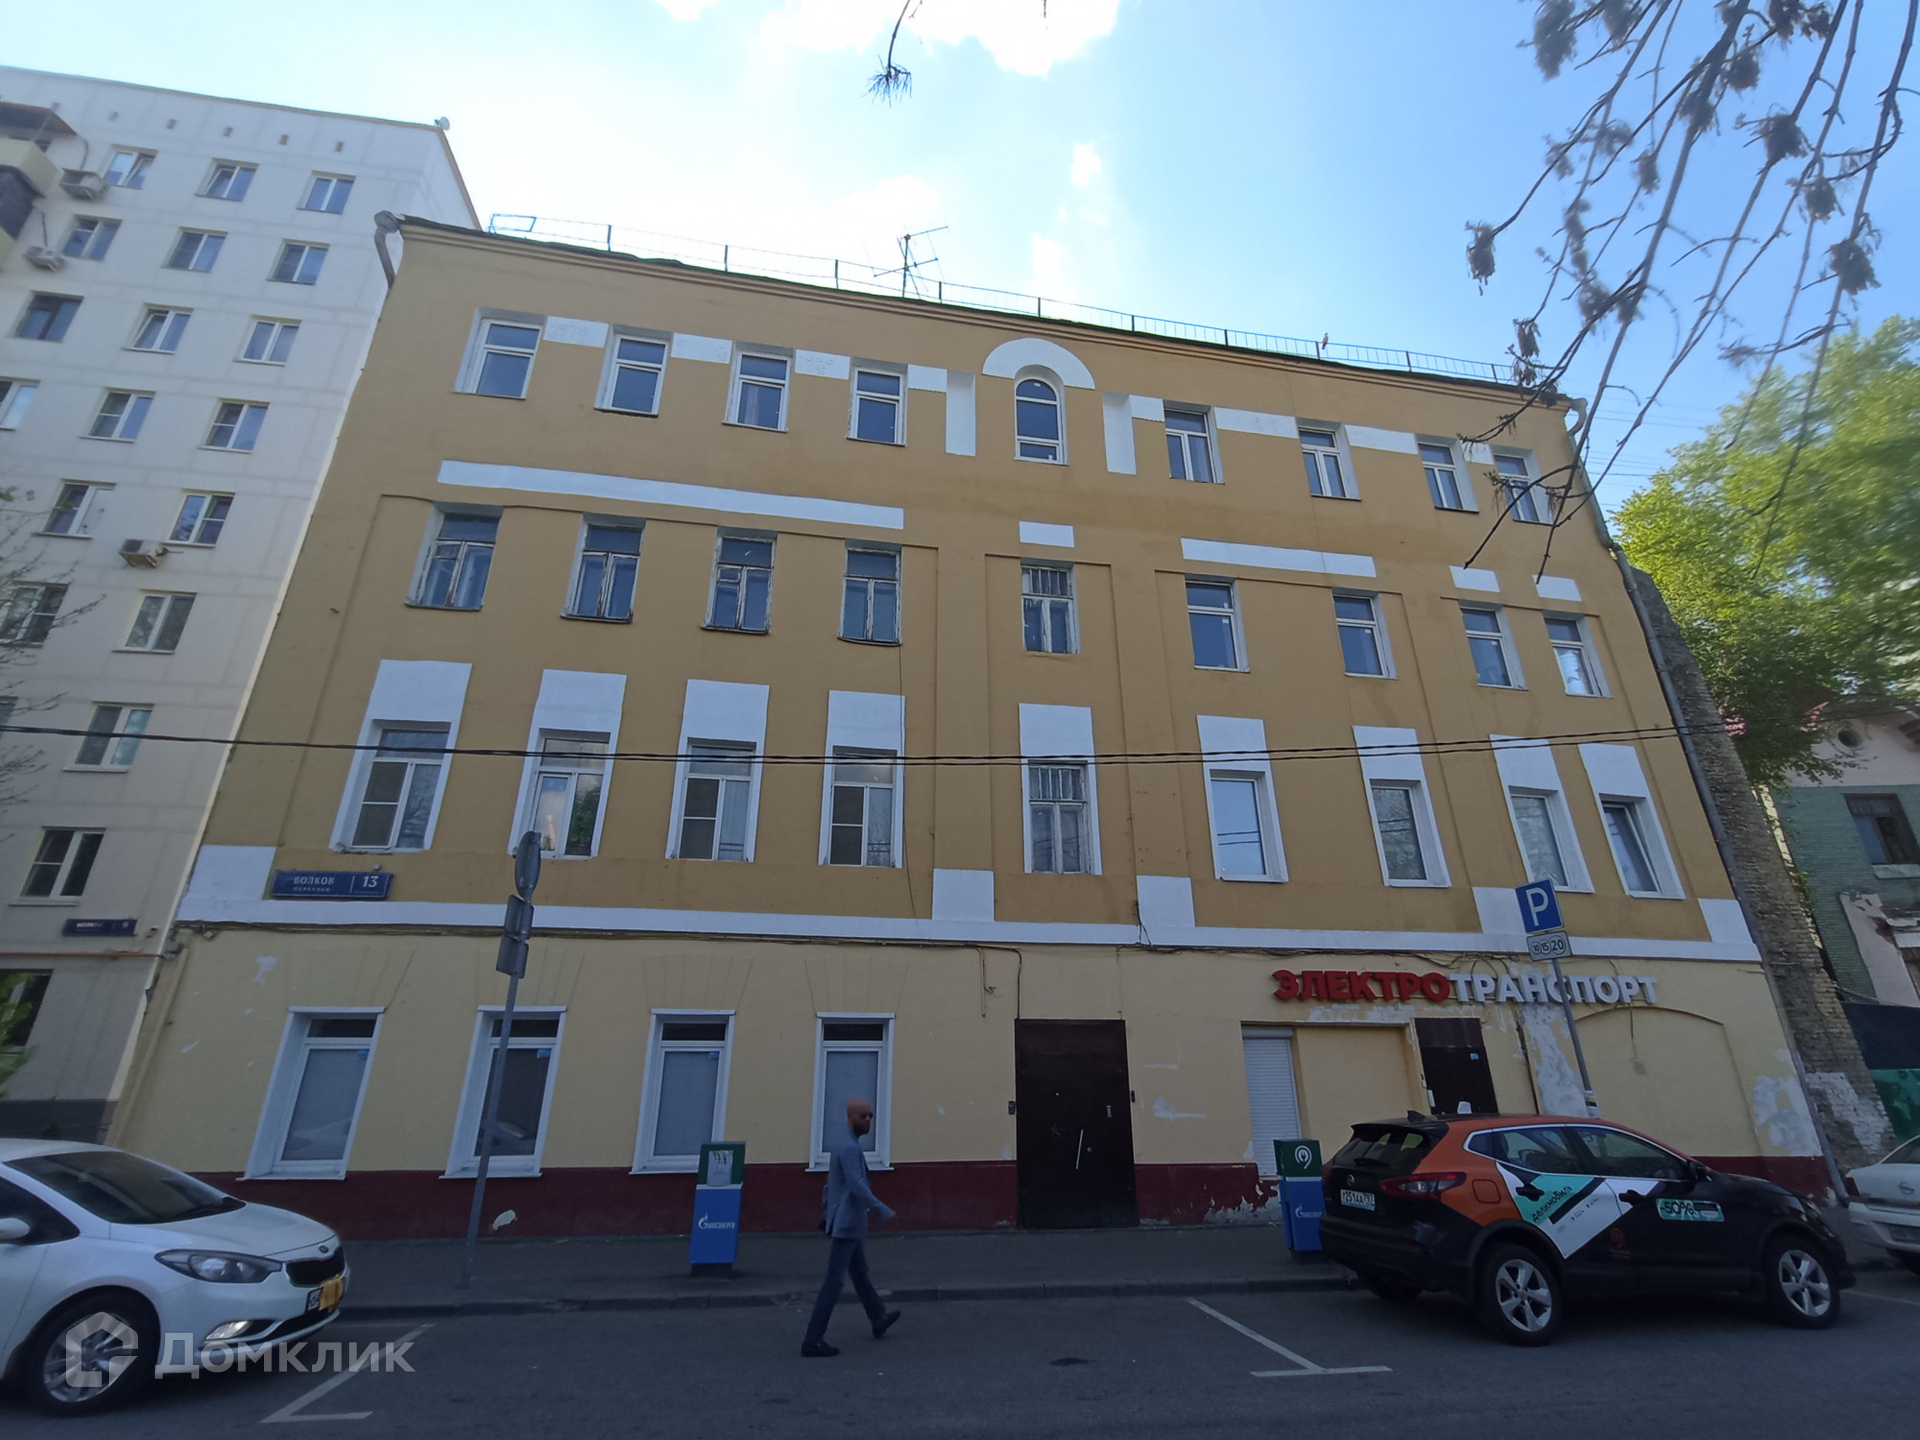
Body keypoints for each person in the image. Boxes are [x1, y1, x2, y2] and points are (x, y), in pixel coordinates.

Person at [801, 1097, 901, 1357]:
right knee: (834, 1282)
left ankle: (878, 1317)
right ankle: (813, 1339)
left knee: (859, 1272)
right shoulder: (848, 1147)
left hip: (848, 1221)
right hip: (847, 1223)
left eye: (870, 1116)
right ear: (850, 1117)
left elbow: (832, 1185)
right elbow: (857, 1185)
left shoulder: (845, 1143)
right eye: (862, 1116)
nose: (867, 1120)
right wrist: (881, 1208)